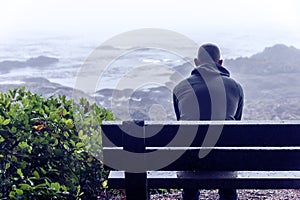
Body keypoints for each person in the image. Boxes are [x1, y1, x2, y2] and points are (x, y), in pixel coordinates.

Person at [173, 43, 244, 200]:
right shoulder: (236, 87)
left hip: (190, 162)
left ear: (196, 62)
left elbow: (181, 124)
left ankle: (190, 195)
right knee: (227, 154)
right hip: (224, 162)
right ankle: (228, 195)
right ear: (220, 63)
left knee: (188, 151)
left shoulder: (179, 88)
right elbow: (236, 126)